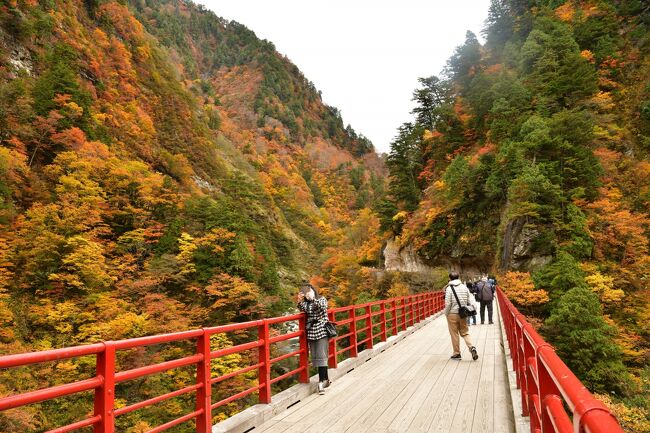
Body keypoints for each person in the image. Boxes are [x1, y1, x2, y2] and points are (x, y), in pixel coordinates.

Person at [297, 283, 331, 394]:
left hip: (322, 330)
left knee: (321, 355)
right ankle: (326, 379)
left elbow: (323, 307)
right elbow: (301, 308)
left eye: (309, 290)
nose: (307, 293)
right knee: (316, 356)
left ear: (313, 290)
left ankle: (321, 383)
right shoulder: (306, 304)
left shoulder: (321, 299)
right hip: (311, 332)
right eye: (305, 291)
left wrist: (313, 298)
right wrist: (300, 300)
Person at [444, 272, 479, 361]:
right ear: (458, 277)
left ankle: (457, 353)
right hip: (463, 313)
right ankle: (471, 347)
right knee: (465, 332)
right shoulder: (464, 287)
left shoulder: (449, 288)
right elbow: (469, 300)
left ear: (450, 278)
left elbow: (448, 303)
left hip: (452, 313)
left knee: (454, 334)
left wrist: (446, 313)